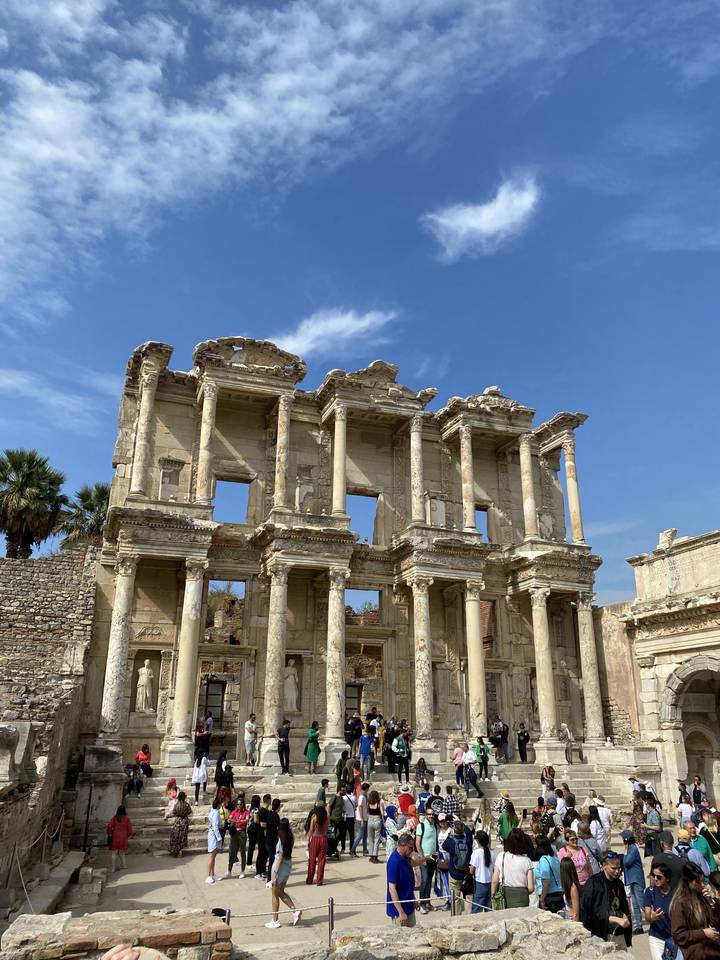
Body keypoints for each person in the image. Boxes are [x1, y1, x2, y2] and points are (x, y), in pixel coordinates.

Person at [580, 851, 632, 947]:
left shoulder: (619, 884)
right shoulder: (593, 883)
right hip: (600, 934)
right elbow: (590, 911)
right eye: (613, 868)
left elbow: (621, 906)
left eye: (619, 868)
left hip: (619, 933)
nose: (617, 871)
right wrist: (616, 919)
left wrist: (625, 915)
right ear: (604, 865)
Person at [670, 861, 720, 960]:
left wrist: (711, 903)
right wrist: (703, 933)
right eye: (697, 882)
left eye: (702, 881)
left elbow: (714, 924)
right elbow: (678, 935)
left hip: (710, 951)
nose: (701, 885)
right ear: (688, 881)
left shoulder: (702, 897)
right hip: (695, 954)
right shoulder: (680, 903)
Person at [265, 820, 302, 929]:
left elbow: (280, 858)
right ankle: (295, 911)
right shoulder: (291, 837)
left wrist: (274, 876)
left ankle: (275, 920)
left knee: (275, 894)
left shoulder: (282, 840)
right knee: (281, 892)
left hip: (280, 867)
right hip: (288, 866)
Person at [491, 828, 534, 908]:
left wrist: (493, 895)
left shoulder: (501, 856)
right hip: (522, 898)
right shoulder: (527, 861)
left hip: (505, 897)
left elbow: (495, 880)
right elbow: (531, 888)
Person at [442, 818, 473, 914]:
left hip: (454, 873)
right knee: (468, 897)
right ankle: (469, 917)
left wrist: (449, 834)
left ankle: (456, 916)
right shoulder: (468, 841)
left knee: (456, 898)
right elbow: (469, 834)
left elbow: (443, 846)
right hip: (466, 873)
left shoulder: (451, 842)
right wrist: (462, 824)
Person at [644, 862, 674, 960]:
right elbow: (647, 916)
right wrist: (652, 917)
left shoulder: (676, 893)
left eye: (659, 876)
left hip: (673, 937)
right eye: (653, 875)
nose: (655, 878)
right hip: (656, 937)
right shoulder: (650, 892)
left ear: (667, 878)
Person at [387, 833, 417, 926]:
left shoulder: (405, 858)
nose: (412, 851)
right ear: (403, 846)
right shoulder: (394, 862)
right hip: (399, 911)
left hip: (408, 905)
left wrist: (414, 899)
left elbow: (408, 882)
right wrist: (401, 912)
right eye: (410, 848)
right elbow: (392, 888)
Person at [621, 829, 646, 934]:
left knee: (642, 904)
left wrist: (623, 855)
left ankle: (655, 920)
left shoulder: (633, 849)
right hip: (632, 880)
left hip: (636, 880)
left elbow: (626, 862)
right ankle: (639, 926)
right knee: (635, 904)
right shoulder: (631, 848)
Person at [415, 808, 438, 913]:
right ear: (426, 815)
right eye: (429, 814)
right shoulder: (421, 826)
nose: (431, 816)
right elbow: (417, 843)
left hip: (433, 857)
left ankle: (427, 902)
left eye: (432, 814)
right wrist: (421, 857)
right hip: (424, 857)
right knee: (424, 880)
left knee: (429, 880)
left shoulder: (435, 826)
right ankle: (422, 903)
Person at [535, 836, 564, 913]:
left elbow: (546, 882)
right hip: (558, 893)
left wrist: (542, 899)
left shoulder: (544, 860)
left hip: (549, 896)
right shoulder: (554, 858)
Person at [470, 829, 495, 914]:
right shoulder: (492, 853)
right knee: (489, 908)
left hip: (480, 883)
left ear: (478, 841)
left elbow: (472, 870)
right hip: (490, 883)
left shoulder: (476, 853)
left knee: (476, 909)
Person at [224, 794, 249, 878]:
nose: (239, 805)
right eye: (237, 804)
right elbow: (229, 819)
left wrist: (237, 821)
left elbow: (246, 820)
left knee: (242, 852)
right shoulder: (234, 812)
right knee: (232, 852)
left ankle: (242, 871)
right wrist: (238, 821)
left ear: (243, 804)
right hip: (234, 833)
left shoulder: (246, 812)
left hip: (242, 833)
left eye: (240, 804)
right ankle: (229, 870)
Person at [306, 804, 329, 885]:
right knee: (321, 861)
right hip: (323, 838)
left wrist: (308, 840)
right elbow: (326, 829)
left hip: (315, 839)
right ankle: (319, 880)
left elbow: (311, 830)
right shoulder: (326, 818)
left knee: (312, 860)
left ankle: (310, 879)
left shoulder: (314, 818)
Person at [106, 805, 133, 872]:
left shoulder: (114, 818)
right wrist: (128, 836)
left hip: (115, 837)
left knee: (114, 853)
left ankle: (113, 868)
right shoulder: (127, 818)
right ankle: (124, 865)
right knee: (122, 853)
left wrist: (109, 833)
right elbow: (129, 830)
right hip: (123, 838)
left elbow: (109, 827)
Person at [167, 790, 191, 857]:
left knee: (175, 836)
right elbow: (189, 811)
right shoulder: (187, 804)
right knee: (182, 836)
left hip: (178, 820)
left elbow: (174, 812)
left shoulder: (176, 804)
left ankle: (174, 850)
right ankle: (180, 850)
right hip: (185, 821)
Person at [255, 794, 272, 879]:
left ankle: (263, 870)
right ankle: (258, 872)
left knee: (265, 853)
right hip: (261, 834)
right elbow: (261, 824)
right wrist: (271, 824)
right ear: (268, 800)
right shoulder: (262, 811)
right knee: (261, 853)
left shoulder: (268, 811)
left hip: (266, 835)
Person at [206, 798, 223, 884]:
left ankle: (213, 874)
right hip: (214, 836)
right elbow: (215, 827)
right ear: (218, 805)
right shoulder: (215, 813)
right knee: (211, 856)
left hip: (212, 834)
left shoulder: (213, 811)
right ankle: (209, 875)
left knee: (214, 856)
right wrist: (219, 838)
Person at [351, 782, 370, 857]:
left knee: (365, 835)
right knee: (360, 836)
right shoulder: (362, 797)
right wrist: (362, 819)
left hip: (365, 818)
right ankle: (352, 850)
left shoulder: (364, 796)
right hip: (361, 819)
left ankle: (365, 850)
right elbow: (360, 807)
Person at [367, 789, 385, 864]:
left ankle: (371, 855)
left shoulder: (369, 803)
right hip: (377, 820)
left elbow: (368, 812)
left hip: (370, 820)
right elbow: (382, 813)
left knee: (370, 839)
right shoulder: (379, 802)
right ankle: (375, 856)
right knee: (377, 839)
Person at [247, 794, 261, 870]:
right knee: (253, 847)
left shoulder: (250, 808)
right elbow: (256, 821)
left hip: (249, 829)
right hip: (254, 830)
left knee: (251, 847)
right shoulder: (256, 810)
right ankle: (249, 863)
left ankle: (249, 862)